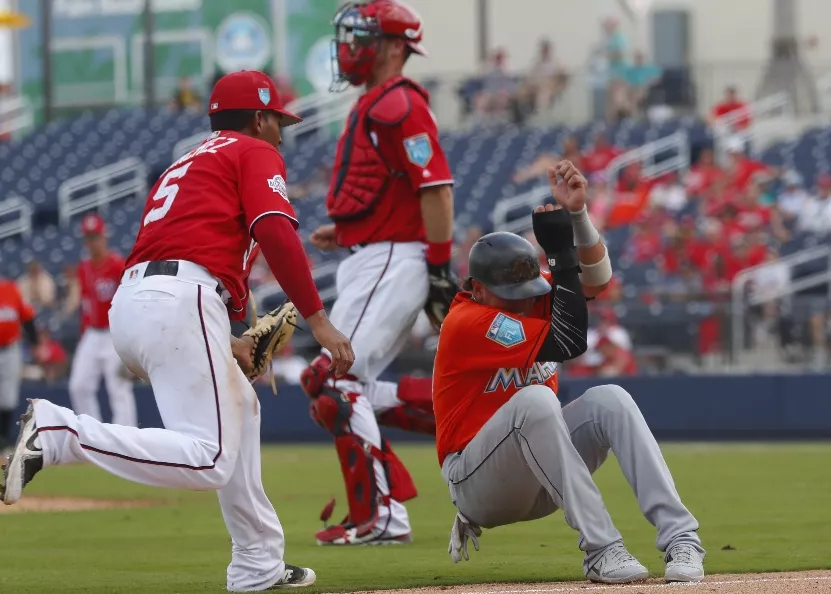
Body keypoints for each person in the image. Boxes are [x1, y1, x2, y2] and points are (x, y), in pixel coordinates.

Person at [1, 70, 355, 592]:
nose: (282, 130)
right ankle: (60, 433)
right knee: (209, 457)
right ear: (258, 117)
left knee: (244, 408)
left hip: (141, 302)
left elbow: (189, 247)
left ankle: (258, 564)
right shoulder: (252, 150)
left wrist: (230, 342)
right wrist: (319, 320)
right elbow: (275, 230)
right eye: (277, 119)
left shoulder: (189, 160)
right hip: (178, 299)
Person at [433, 160, 705, 584]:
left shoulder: (525, 293)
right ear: (478, 288)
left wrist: (577, 216)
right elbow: (569, 342)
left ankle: (681, 538)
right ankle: (602, 549)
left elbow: (597, 281)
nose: (524, 302)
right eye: (512, 295)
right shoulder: (468, 321)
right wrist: (559, 253)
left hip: (543, 472)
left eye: (528, 292)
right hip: (478, 482)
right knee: (537, 399)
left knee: (611, 399)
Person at [303, 0, 456, 546]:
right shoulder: (378, 101)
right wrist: (345, 232)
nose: (349, 46)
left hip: (395, 258)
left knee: (333, 380)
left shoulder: (398, 103)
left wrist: (439, 266)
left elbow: (435, 188)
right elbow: (390, 188)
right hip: (373, 255)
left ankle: (384, 515)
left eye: (362, 35)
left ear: (395, 47)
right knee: (338, 385)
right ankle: (465, 412)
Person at [67, 213, 136, 426]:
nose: (92, 242)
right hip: (92, 333)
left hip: (114, 333)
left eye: (95, 236)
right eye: (88, 238)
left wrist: (130, 340)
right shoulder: (84, 267)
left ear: (104, 236)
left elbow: (129, 300)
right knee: (78, 386)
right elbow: (86, 304)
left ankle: (127, 439)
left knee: (118, 388)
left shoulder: (117, 264)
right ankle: (93, 435)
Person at [0, 278, 37, 454]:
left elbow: (28, 318)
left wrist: (36, 344)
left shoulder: (11, 290)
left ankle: (4, 440)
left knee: (8, 398)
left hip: (10, 349)